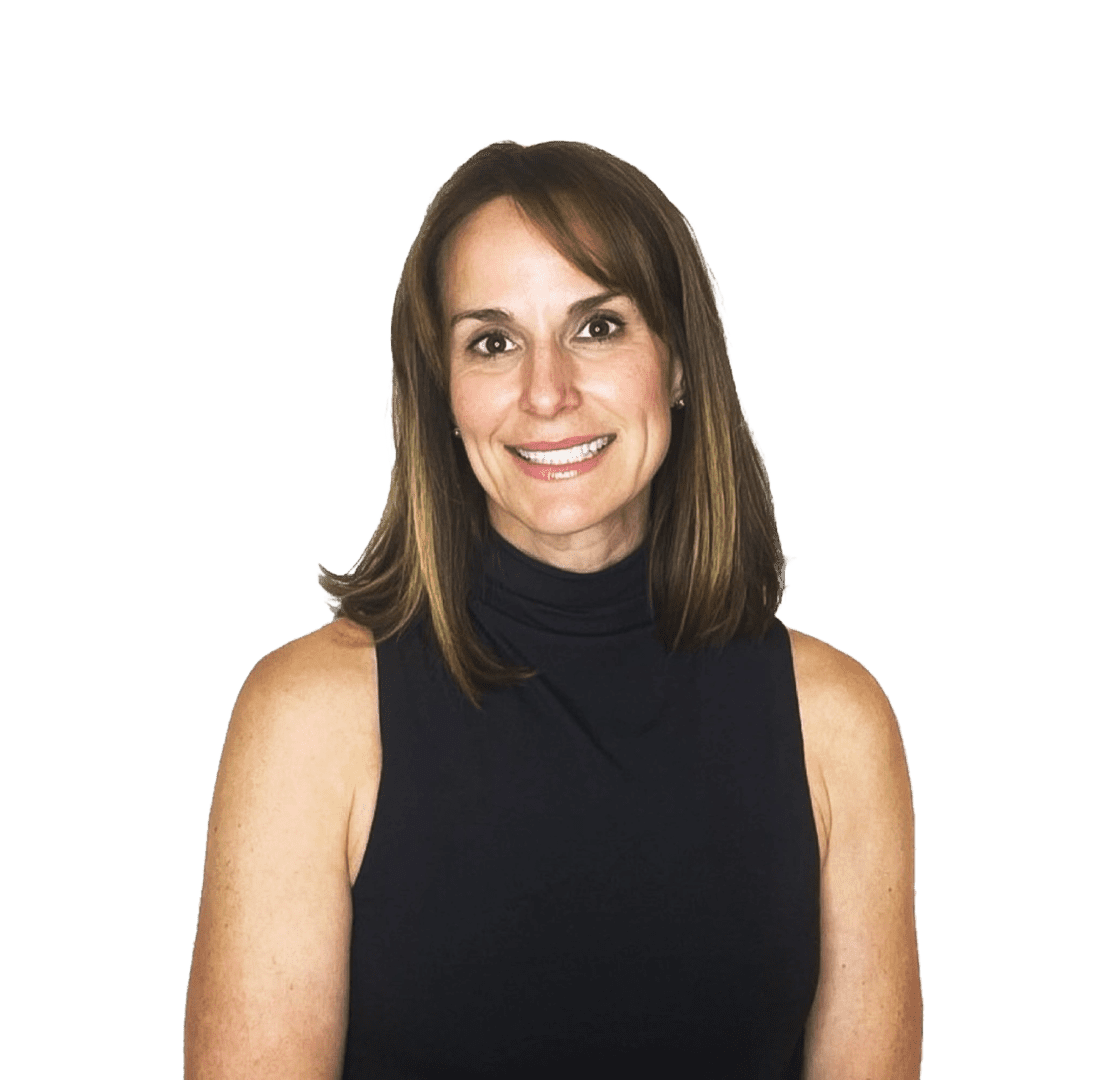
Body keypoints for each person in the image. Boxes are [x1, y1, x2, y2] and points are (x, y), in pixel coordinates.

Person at [183, 139, 922, 1078]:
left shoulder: (835, 723)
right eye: (492, 342)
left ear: (682, 362)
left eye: (597, 327)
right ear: (443, 396)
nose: (546, 392)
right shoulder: (309, 717)